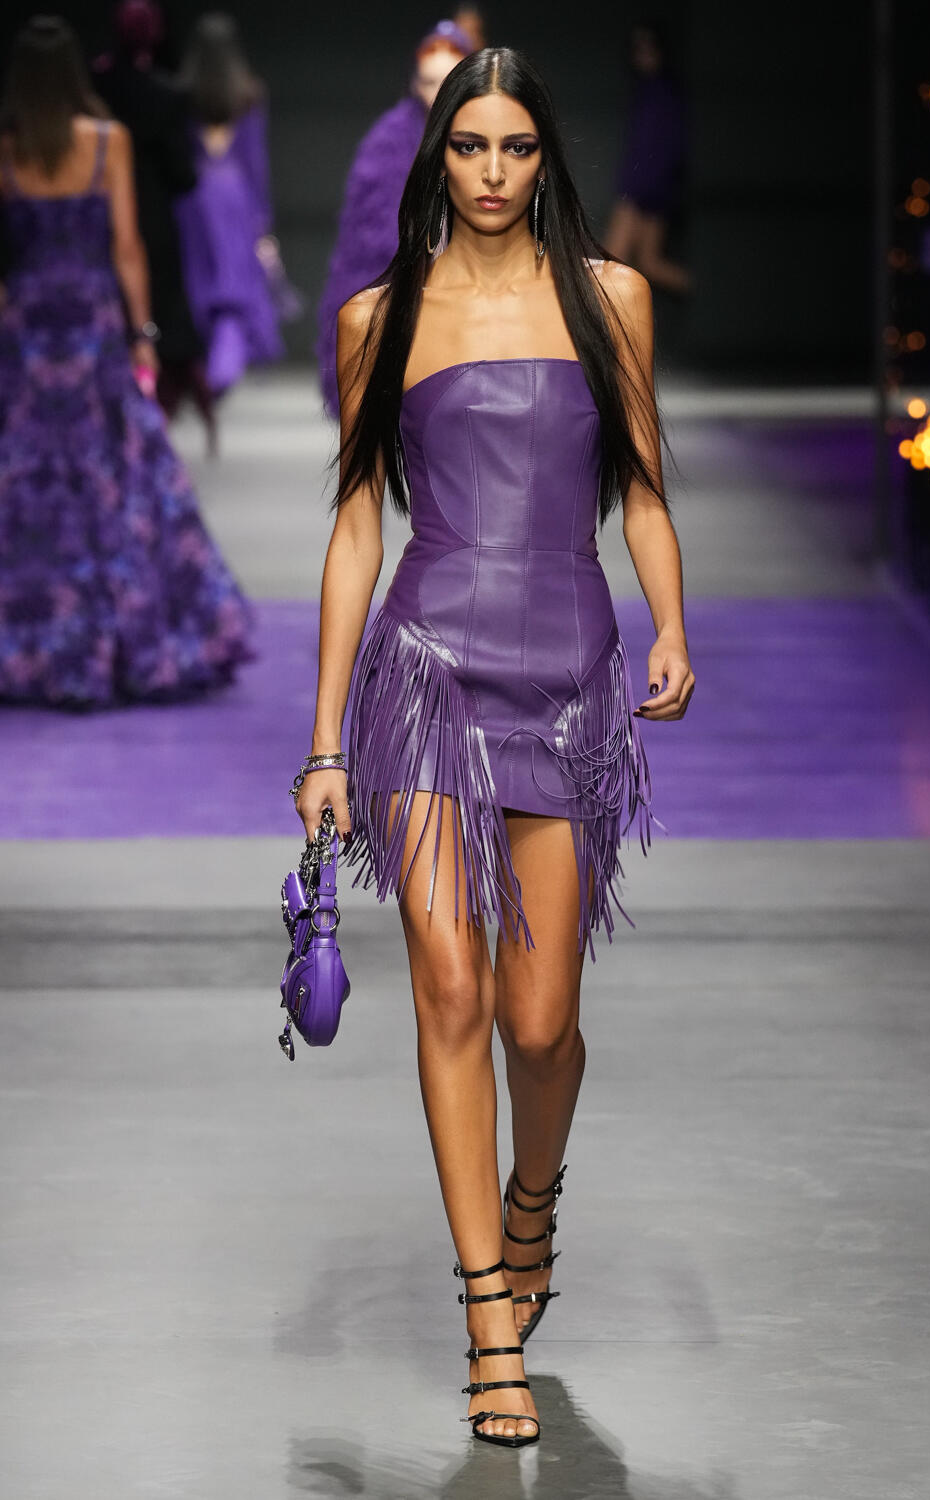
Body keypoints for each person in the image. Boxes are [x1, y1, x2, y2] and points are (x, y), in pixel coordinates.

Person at [295, 48, 694, 1447]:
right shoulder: (379, 317)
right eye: (470, 146)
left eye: (516, 148)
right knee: (451, 990)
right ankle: (486, 1319)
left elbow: (643, 486)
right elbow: (357, 527)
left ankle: (535, 1203)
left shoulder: (609, 299)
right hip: (426, 675)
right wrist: (325, 740)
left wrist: (671, 622)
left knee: (541, 1023)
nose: (492, 172)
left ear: (545, 158)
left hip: (570, 677)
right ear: (437, 155)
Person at [0, 16, 252, 708]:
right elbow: (127, 247)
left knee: (28, 484)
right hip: (92, 329)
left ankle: (33, 644)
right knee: (113, 478)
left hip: (26, 334)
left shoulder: (8, 151)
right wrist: (142, 332)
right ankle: (112, 637)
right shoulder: (107, 142)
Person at [316, 19, 473, 417]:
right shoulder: (386, 142)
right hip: (400, 298)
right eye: (429, 81)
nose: (438, 93)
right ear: (414, 83)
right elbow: (369, 244)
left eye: (449, 81)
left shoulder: (489, 135)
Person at [92, 0, 214, 439]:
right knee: (158, 319)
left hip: (97, 219)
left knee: (110, 313)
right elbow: (183, 176)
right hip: (154, 218)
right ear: (157, 34)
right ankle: (153, 414)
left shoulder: (96, 87)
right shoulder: (167, 95)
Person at [174, 12, 290, 399]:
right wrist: (262, 222)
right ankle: (224, 360)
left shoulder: (183, 94)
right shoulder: (248, 93)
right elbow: (254, 160)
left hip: (194, 198)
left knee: (201, 278)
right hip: (235, 195)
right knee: (234, 280)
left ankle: (211, 359)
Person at [605, 20, 691, 295]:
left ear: (660, 51)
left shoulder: (665, 94)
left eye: (649, 48)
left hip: (646, 191)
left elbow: (668, 149)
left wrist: (641, 192)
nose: (643, 55)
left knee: (611, 265)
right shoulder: (647, 91)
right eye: (638, 49)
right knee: (648, 263)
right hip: (646, 189)